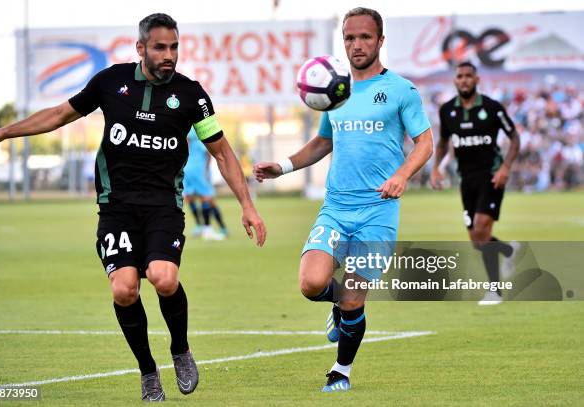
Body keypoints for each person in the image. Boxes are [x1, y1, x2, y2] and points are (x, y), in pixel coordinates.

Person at [0, 13, 266, 402]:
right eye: (160, 47)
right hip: (116, 207)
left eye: (174, 47)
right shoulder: (111, 82)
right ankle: (148, 372)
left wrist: (248, 206)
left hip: (163, 206)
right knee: (125, 289)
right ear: (141, 48)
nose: (169, 55)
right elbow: (59, 115)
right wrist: (4, 132)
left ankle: (180, 349)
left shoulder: (192, 95)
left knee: (163, 278)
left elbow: (223, 152)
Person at [254, 7, 433, 393]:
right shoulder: (335, 90)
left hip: (378, 210)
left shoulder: (402, 90)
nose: (357, 44)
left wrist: (401, 175)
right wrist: (282, 167)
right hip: (336, 208)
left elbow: (425, 143)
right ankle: (339, 309)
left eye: (365, 37)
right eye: (350, 38)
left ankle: (341, 370)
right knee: (311, 283)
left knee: (353, 294)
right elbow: (322, 142)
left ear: (381, 41)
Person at [431, 61, 520, 306]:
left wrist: (505, 167)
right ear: (455, 81)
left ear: (477, 79)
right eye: (460, 76)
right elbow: (442, 142)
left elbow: (514, 137)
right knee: (477, 240)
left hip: (491, 176)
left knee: (482, 228)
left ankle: (495, 290)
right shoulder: (448, 110)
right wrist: (436, 169)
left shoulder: (491, 107)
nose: (464, 80)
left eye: (469, 76)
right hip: (466, 179)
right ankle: (508, 250)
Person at [183, 129, 229, 240]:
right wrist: (207, 170)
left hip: (187, 169)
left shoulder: (186, 128)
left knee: (189, 197)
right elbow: (208, 152)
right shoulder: (198, 131)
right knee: (207, 198)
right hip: (198, 170)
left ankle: (201, 226)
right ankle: (209, 229)